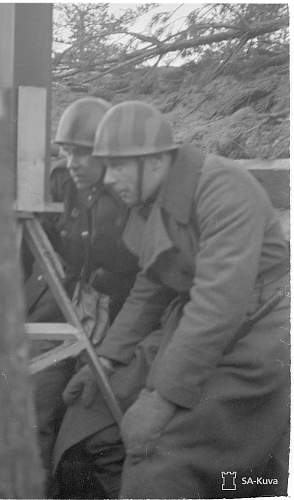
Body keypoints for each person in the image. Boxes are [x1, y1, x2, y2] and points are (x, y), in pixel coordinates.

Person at [56, 101, 290, 498]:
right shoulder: (148, 202)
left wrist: (162, 400)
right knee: (89, 420)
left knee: (159, 452)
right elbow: (152, 286)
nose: (109, 179)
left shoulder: (224, 188)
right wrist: (107, 362)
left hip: (256, 333)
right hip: (189, 325)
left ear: (156, 160)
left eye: (118, 166)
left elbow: (218, 304)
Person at [24, 97, 138, 496]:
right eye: (66, 152)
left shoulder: (131, 199)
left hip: (122, 322)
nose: (72, 162)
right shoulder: (63, 182)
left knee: (87, 432)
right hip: (74, 310)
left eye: (82, 153)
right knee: (35, 404)